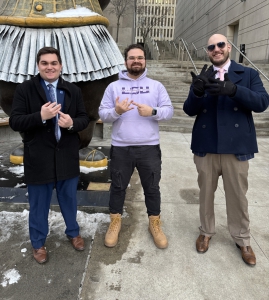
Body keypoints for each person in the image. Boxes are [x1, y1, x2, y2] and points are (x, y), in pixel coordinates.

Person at [183, 34, 269, 266]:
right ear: (208, 51)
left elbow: (262, 103)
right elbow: (189, 110)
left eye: (220, 45)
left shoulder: (248, 74)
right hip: (206, 146)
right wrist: (197, 91)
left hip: (236, 147)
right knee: (205, 194)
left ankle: (242, 239)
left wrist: (234, 91)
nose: (216, 49)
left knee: (238, 196)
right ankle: (206, 231)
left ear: (228, 47)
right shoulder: (204, 74)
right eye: (211, 47)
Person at [9, 47, 90, 264]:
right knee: (38, 205)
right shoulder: (25, 90)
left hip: (66, 158)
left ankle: (73, 232)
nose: (49, 67)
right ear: (38, 66)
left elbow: (84, 118)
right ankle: (38, 243)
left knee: (70, 201)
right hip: (39, 158)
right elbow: (15, 121)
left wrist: (72, 123)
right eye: (44, 63)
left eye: (53, 63)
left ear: (60, 65)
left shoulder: (72, 90)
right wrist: (40, 116)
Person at [99, 44, 173, 249]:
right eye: (132, 58)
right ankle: (115, 222)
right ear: (125, 61)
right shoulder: (113, 87)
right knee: (118, 186)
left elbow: (169, 112)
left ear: (145, 60)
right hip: (121, 147)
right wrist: (116, 111)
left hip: (149, 147)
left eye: (140, 57)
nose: (136, 61)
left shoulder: (156, 86)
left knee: (152, 187)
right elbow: (103, 115)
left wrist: (153, 111)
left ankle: (155, 224)